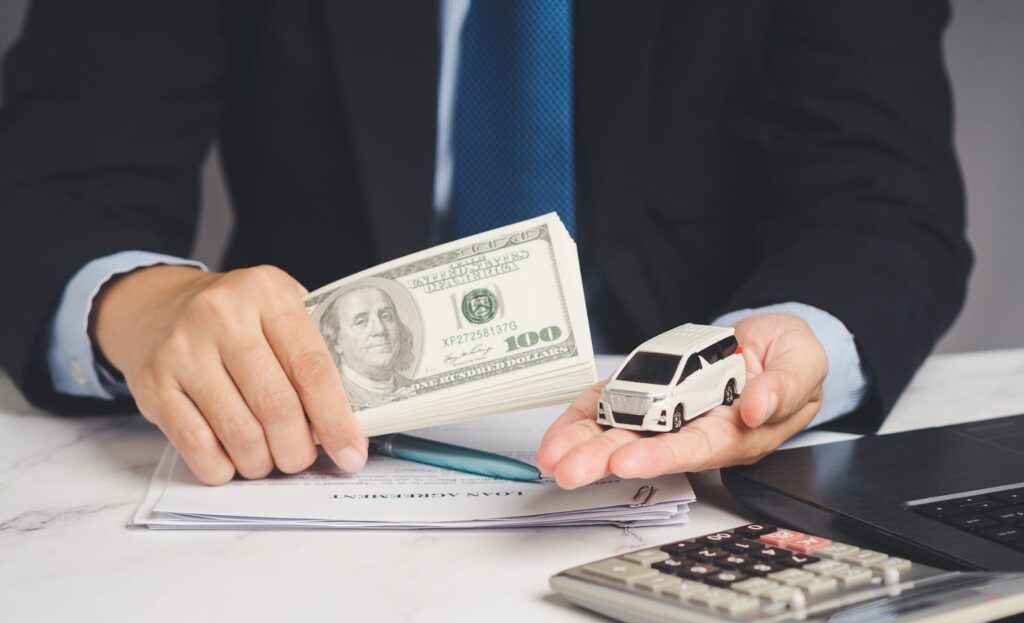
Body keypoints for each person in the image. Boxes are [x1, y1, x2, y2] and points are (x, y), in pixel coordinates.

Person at [0, 1, 971, 487]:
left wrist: (777, 349)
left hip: (683, 493)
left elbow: (879, 201)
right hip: (316, 468)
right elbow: (51, 177)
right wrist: (135, 302)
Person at [318, 285, 415, 408]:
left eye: (386, 316)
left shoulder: (411, 385)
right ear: (336, 341)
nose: (380, 329)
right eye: (361, 322)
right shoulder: (328, 400)